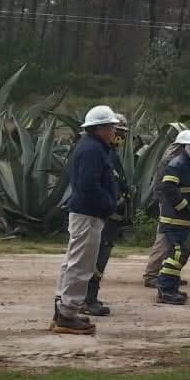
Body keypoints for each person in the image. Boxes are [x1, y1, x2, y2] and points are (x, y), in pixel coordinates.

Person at [50, 105, 122, 335]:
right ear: (99, 128)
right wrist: (108, 204)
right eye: (111, 126)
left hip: (86, 213)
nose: (114, 131)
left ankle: (63, 310)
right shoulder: (93, 150)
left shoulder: (91, 147)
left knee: (73, 261)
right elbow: (88, 185)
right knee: (82, 265)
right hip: (89, 214)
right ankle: (67, 315)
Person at [81, 113, 133, 317]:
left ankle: (89, 297)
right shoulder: (100, 153)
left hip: (112, 214)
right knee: (96, 257)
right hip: (103, 214)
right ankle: (87, 299)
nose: (118, 136)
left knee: (101, 254)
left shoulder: (112, 154)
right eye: (116, 131)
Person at [154, 130, 190, 306]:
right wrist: (183, 207)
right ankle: (166, 289)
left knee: (179, 252)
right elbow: (168, 187)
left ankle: (169, 286)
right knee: (179, 252)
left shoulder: (188, 164)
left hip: (182, 219)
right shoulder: (177, 164)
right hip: (175, 219)